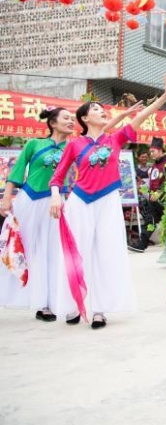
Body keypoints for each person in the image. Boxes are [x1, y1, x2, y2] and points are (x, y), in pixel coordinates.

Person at [49, 75, 166, 328]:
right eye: (96, 109)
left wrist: (165, 96)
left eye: (103, 109)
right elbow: (58, 176)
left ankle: (99, 309)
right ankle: (75, 304)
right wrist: (55, 198)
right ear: (84, 118)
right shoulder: (75, 144)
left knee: (106, 254)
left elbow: (141, 117)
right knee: (78, 255)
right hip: (80, 202)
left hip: (107, 202)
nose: (102, 111)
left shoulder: (114, 139)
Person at [0, 107, 76, 321]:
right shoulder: (34, 144)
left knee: (53, 252)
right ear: (53, 123)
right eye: (67, 118)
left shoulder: (72, 147)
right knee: (24, 249)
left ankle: (49, 304)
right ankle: (31, 300)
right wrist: (6, 199)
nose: (72, 122)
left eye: (73, 119)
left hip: (56, 204)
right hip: (29, 200)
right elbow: (16, 173)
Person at [130, 138, 166, 253]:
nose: (150, 154)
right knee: (150, 222)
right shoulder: (152, 167)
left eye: (153, 151)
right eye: (150, 151)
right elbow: (149, 182)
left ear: (161, 150)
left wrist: (159, 193)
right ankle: (142, 244)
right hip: (153, 201)